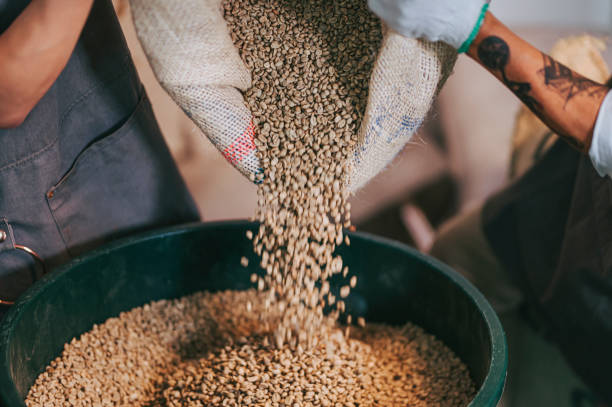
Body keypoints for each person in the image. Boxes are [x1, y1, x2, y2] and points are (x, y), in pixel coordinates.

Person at [367, 0, 612, 405]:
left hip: (598, 313)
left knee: (545, 384)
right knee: (458, 255)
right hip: (566, 198)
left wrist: (472, 27)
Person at [0, 0, 200, 313]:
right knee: (65, 335)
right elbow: (5, 96)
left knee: (182, 295)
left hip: (102, 121)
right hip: (20, 198)